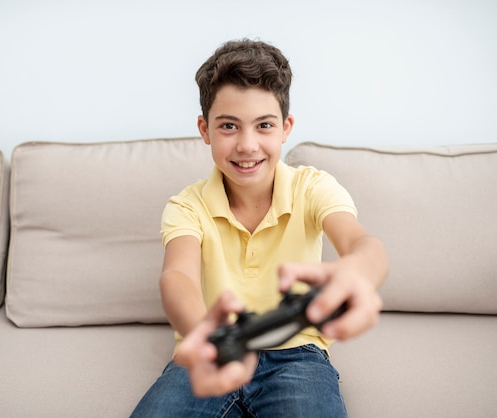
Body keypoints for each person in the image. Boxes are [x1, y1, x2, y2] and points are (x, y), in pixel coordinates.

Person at [131, 39, 388, 417]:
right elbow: (177, 276)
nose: (247, 145)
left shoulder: (313, 187)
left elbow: (363, 244)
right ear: (205, 130)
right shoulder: (187, 206)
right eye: (229, 126)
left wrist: (358, 271)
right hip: (214, 347)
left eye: (264, 125)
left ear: (285, 128)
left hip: (297, 356)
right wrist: (201, 332)